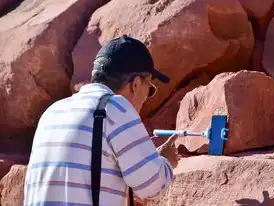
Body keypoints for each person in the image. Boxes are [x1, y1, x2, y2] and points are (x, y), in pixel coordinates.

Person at [24, 35, 179, 206]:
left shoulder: (52, 112)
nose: (147, 97)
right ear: (135, 84)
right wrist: (167, 161)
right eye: (149, 87)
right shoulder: (115, 107)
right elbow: (152, 186)